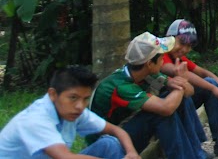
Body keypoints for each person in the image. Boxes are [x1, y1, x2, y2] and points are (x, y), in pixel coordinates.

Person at [90, 33, 209, 159]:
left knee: (176, 98)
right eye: (161, 57)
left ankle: (197, 153)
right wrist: (181, 81)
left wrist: (180, 83)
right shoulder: (121, 87)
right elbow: (166, 108)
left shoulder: (145, 74)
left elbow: (189, 91)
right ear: (149, 63)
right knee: (160, 113)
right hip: (110, 144)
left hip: (127, 127)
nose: (163, 61)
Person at [0, 65, 139, 159]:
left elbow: (116, 130)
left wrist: (131, 152)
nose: (80, 106)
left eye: (85, 99)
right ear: (53, 94)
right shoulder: (36, 119)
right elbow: (65, 157)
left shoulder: (73, 110)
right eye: (73, 97)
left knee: (109, 144)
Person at [161, 20, 218, 156]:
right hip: (163, 104)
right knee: (206, 87)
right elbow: (181, 73)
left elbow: (204, 72)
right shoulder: (160, 55)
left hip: (176, 102)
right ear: (169, 38)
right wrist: (215, 89)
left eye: (189, 46)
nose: (185, 49)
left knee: (210, 83)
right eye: (181, 43)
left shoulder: (178, 57)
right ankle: (197, 148)